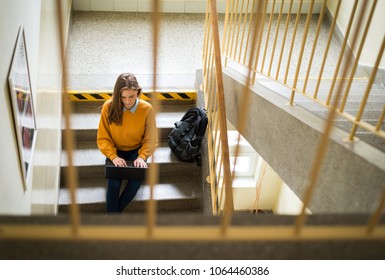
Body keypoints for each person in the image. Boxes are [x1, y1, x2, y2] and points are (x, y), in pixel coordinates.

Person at [97, 73, 158, 213]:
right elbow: (103, 137)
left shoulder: (147, 109)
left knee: (135, 182)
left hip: (136, 151)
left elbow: (151, 138)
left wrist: (142, 157)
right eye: (123, 97)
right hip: (116, 151)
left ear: (138, 92)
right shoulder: (108, 106)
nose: (128, 101)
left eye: (131, 96)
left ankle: (113, 216)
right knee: (113, 183)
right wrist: (113, 157)